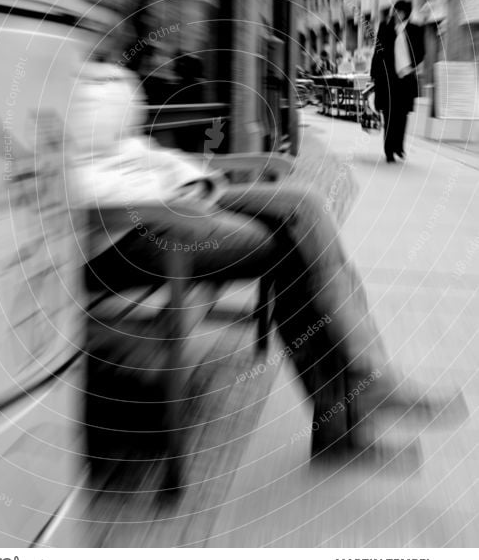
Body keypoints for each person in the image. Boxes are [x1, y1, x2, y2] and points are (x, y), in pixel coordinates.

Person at [68, 33, 463, 465]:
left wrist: (184, 173)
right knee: (295, 246)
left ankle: (360, 392)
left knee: (305, 207)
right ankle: (355, 400)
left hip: (180, 189)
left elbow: (133, 146)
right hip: (133, 225)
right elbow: (75, 175)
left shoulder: (89, 69)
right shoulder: (47, 78)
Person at [370, 0, 425, 163]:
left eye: (401, 12)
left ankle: (399, 146)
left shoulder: (415, 29)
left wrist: (409, 66)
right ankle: (388, 150)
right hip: (388, 80)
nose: (398, 14)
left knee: (401, 116)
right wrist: (373, 74)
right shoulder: (385, 28)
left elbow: (421, 52)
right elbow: (378, 52)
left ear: (406, 13)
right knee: (389, 115)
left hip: (405, 79)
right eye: (396, 11)